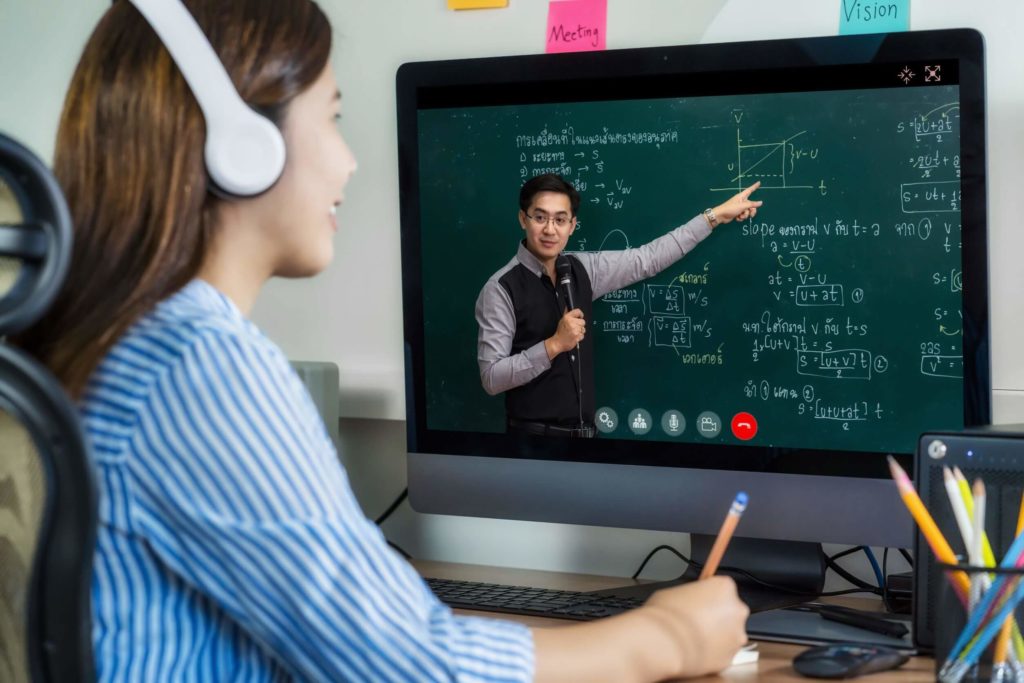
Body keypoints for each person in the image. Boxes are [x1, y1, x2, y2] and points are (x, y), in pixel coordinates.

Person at [15, 1, 749, 680]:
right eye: (331, 118)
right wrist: (666, 638)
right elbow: (406, 662)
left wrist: (711, 218)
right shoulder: (198, 370)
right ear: (243, 145)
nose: (350, 161)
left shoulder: (122, 342)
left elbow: (650, 254)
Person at [476, 173, 761, 437]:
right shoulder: (500, 289)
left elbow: (647, 259)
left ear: (572, 225)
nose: (550, 229)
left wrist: (714, 216)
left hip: (587, 437)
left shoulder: (583, 269)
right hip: (531, 443)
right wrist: (554, 345)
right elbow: (491, 378)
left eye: (560, 220)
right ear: (522, 219)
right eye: (540, 217)